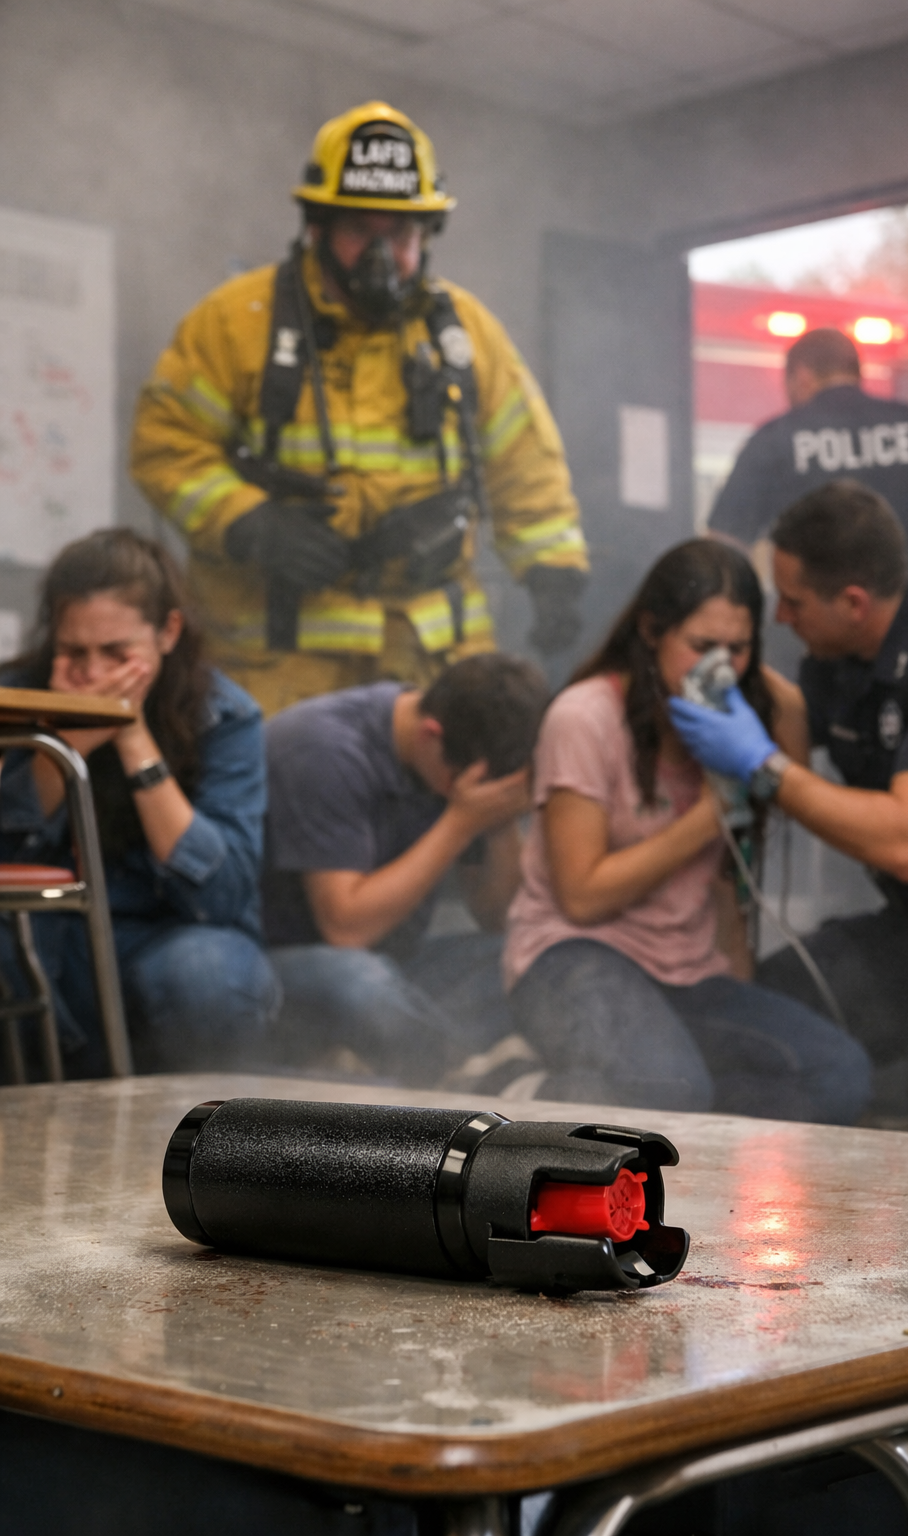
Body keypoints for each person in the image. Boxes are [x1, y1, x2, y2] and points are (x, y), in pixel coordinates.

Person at [130, 101, 588, 719]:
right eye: (359, 232)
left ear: (427, 236)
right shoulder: (237, 323)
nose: (383, 256)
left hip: (432, 672)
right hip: (278, 674)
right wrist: (247, 522)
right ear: (316, 227)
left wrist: (552, 569)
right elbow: (164, 441)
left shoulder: (465, 335)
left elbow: (522, 460)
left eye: (400, 235)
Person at [671, 481, 908, 1140]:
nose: (781, 618)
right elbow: (795, 772)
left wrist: (763, 766)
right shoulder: (837, 659)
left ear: (855, 603)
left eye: (793, 602)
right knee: (761, 1012)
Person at [501, 539, 871, 1121]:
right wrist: (710, 814)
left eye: (737, 649)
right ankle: (535, 1093)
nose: (718, 669)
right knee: (668, 1088)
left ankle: (669, 1124)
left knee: (840, 1075)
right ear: (650, 631)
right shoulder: (585, 717)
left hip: (685, 970)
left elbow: (731, 880)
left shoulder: (739, 719)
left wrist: (764, 732)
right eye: (701, 647)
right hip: (573, 955)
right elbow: (581, 895)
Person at [0, 530, 278, 1079]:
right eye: (74, 652)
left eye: (116, 654)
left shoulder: (223, 714)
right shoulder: (17, 693)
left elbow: (220, 895)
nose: (96, 674)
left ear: (168, 632)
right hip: (43, 932)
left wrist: (130, 735)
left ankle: (202, 1139)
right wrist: (64, 746)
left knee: (207, 972)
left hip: (164, 933)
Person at [263, 653, 549, 1083]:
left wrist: (500, 819)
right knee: (361, 982)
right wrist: (460, 822)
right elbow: (346, 929)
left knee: (537, 955)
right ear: (430, 735)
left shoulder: (462, 762)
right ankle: (451, 1070)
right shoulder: (324, 749)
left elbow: (497, 917)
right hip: (289, 966)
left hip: (400, 965)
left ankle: (372, 1059)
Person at [708, 326, 908, 608]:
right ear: (856, 372)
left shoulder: (774, 439)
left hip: (819, 641)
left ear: (801, 376)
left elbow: (725, 546)